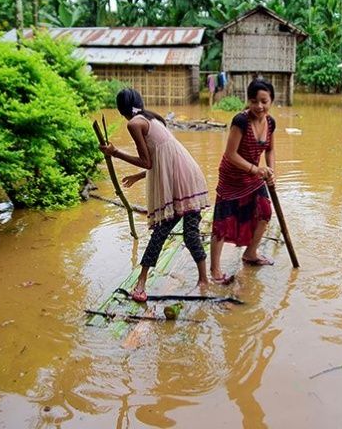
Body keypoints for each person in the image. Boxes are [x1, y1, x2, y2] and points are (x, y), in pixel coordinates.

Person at [100, 88, 210, 302]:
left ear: (121, 109)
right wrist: (138, 177)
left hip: (179, 183)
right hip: (189, 176)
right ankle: (202, 280)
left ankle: (142, 285)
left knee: (168, 233)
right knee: (184, 233)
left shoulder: (134, 124)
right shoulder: (152, 118)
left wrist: (115, 153)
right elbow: (162, 159)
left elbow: (149, 162)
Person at [209, 79, 276, 284]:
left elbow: (270, 149)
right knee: (222, 222)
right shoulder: (241, 121)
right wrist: (256, 169)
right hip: (232, 177)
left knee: (265, 211)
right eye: (254, 101)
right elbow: (230, 154)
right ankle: (215, 270)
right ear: (248, 101)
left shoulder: (271, 122)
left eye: (264, 101)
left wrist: (272, 171)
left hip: (254, 177)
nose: (259, 106)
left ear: (271, 100)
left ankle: (250, 253)